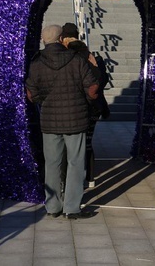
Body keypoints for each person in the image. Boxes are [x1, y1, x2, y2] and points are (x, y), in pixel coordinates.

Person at [25, 24, 99, 219]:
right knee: (75, 163)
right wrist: (87, 102)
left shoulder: (36, 63)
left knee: (52, 164)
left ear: (44, 40)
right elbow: (92, 88)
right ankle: (72, 208)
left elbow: (31, 94)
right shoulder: (76, 60)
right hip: (76, 119)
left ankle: (52, 207)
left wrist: (44, 102)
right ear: (60, 39)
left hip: (49, 120)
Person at [60, 22, 110, 187]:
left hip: (73, 106)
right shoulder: (90, 57)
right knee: (87, 142)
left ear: (63, 39)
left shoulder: (66, 57)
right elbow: (101, 80)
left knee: (71, 144)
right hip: (93, 106)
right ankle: (89, 176)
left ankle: (71, 179)